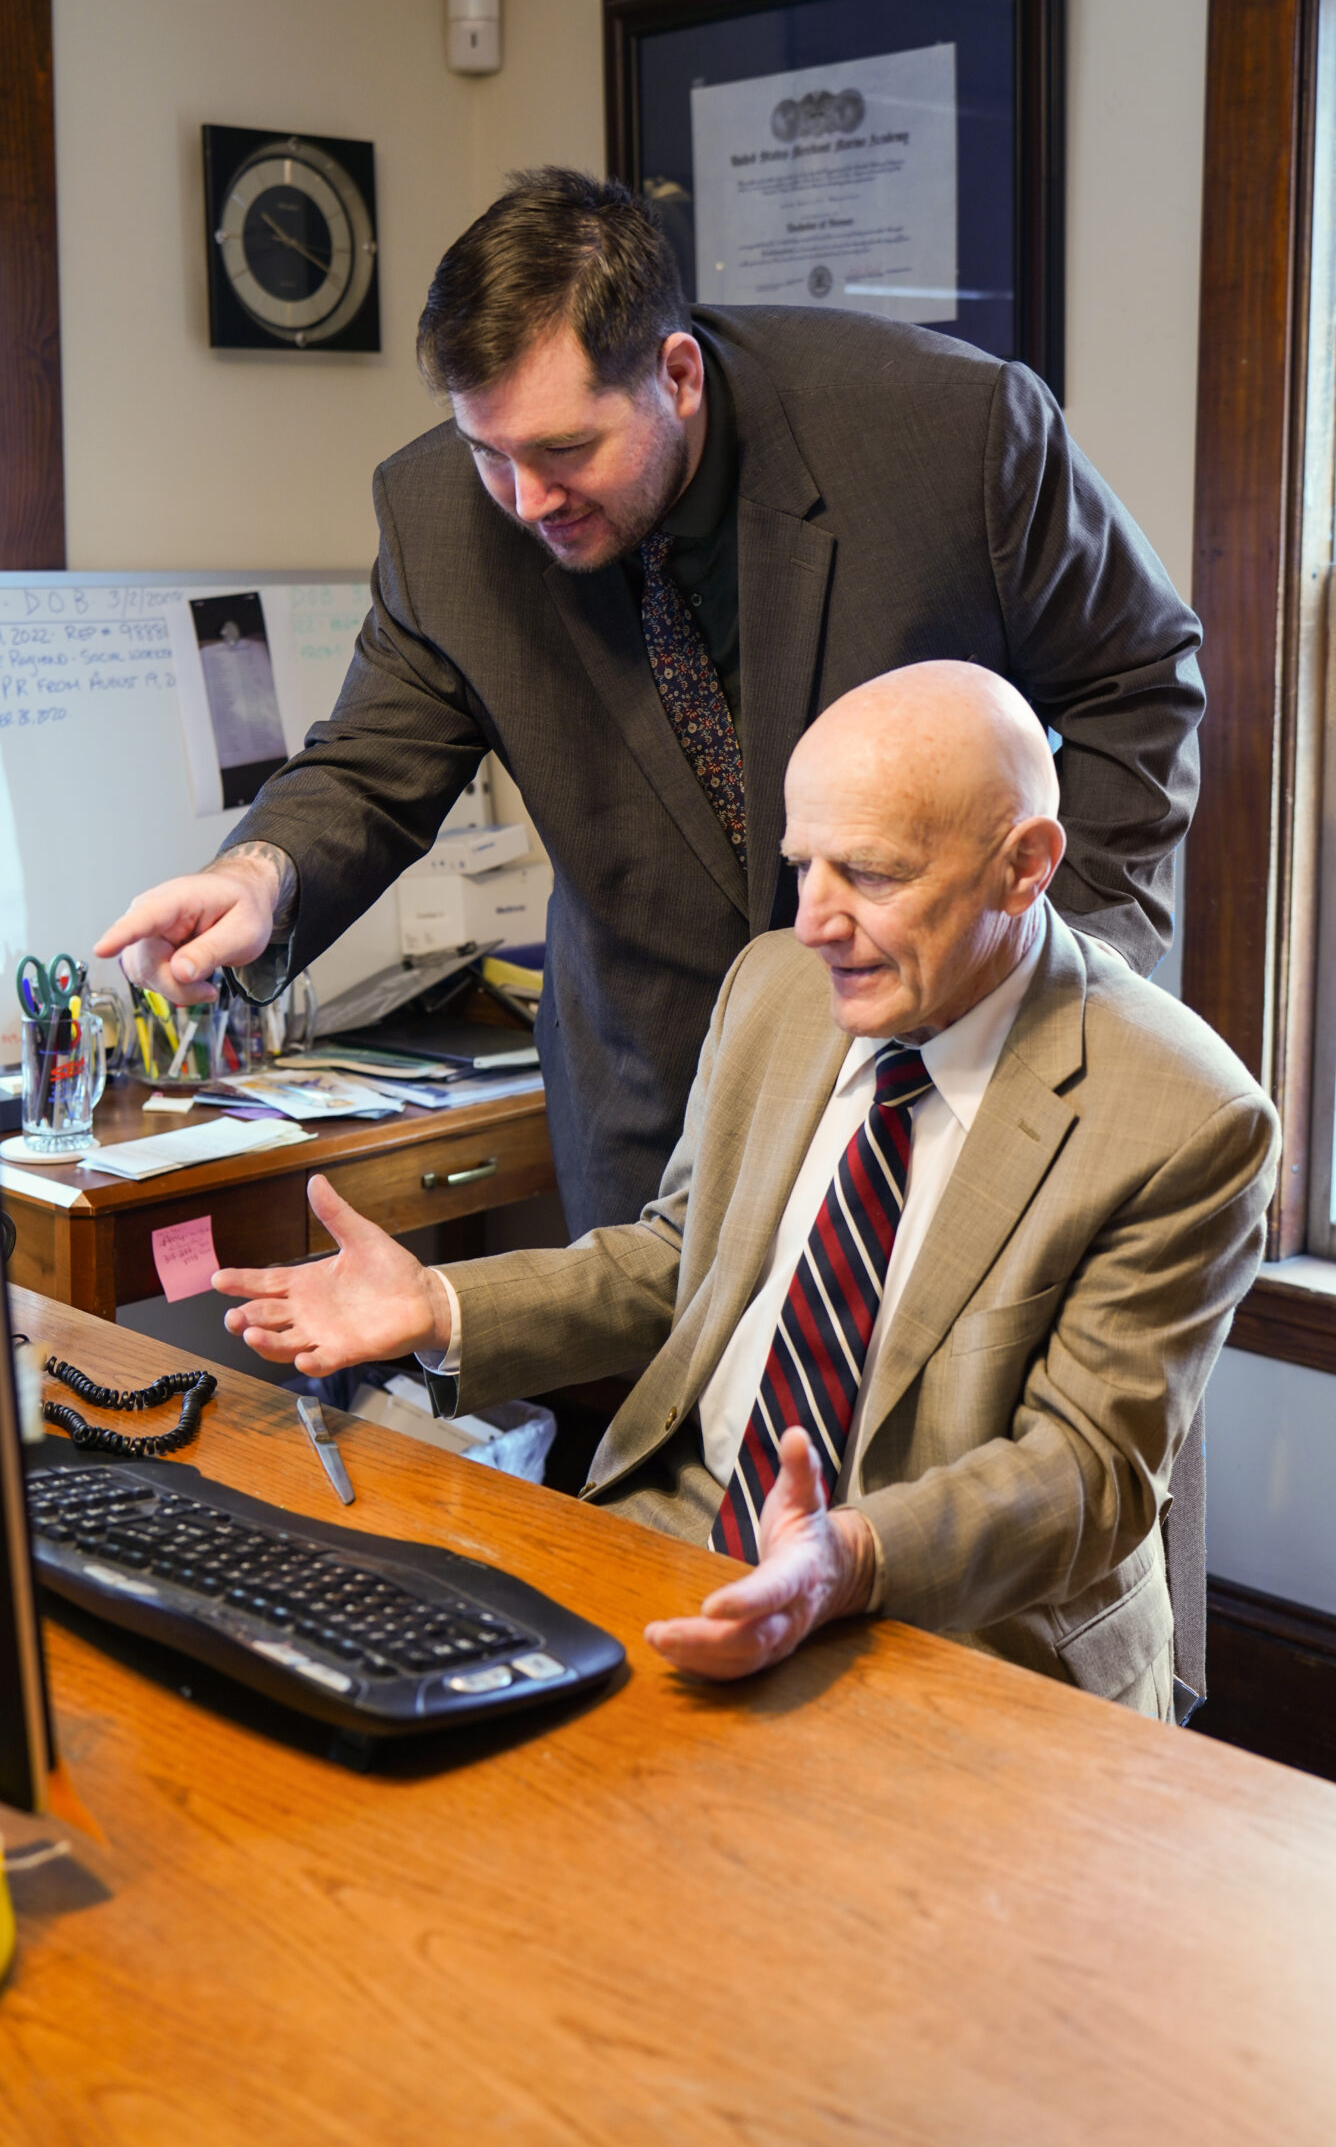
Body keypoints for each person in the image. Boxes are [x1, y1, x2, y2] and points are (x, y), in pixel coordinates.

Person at [98, 168, 1205, 1237]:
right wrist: (256, 875)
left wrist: (1049, 968)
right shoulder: (442, 516)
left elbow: (1139, 686)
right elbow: (372, 756)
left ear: (676, 373)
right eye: (489, 452)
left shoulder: (950, 436)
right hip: (649, 1091)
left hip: (949, 1057)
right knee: (666, 1428)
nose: (527, 500)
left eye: (565, 449)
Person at [217, 665, 1277, 1719]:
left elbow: (1084, 1473)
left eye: (869, 872)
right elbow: (686, 1256)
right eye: (802, 864)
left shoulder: (1187, 1116)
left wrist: (848, 1557)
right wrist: (440, 1309)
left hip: (966, 1630)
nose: (814, 920)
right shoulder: (776, 986)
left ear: (1025, 867)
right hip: (683, 1529)